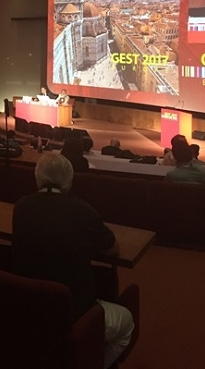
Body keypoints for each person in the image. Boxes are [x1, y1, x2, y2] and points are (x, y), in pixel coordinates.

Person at [12, 153, 134, 369]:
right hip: (73, 311)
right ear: (69, 181)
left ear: (37, 177)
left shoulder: (21, 207)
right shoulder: (82, 210)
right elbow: (113, 248)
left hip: (29, 306)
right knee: (126, 322)